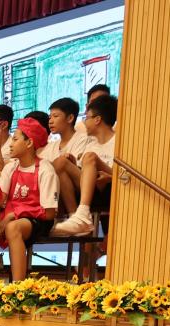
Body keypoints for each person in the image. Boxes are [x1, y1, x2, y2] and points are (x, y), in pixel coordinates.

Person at [0, 117, 58, 281]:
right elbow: (0, 200)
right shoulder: (10, 167)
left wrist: (14, 214)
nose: (10, 144)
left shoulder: (45, 169)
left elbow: (49, 213)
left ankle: (18, 286)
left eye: (15, 139)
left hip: (38, 220)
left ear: (29, 143)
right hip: (12, 216)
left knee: (12, 227)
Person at [52, 94, 117, 237]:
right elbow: (84, 170)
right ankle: (75, 217)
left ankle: (82, 215)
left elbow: (124, 175)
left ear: (97, 120)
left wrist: (111, 176)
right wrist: (72, 163)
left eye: (86, 118)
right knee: (61, 162)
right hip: (89, 188)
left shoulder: (118, 142)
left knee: (90, 157)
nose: (84, 122)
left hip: (108, 188)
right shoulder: (90, 143)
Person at [43, 98, 90, 216]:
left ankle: (73, 216)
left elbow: (79, 167)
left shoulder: (82, 139)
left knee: (61, 163)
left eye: (55, 116)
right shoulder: (51, 146)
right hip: (58, 188)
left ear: (70, 118)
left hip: (81, 184)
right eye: (49, 117)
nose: (50, 121)